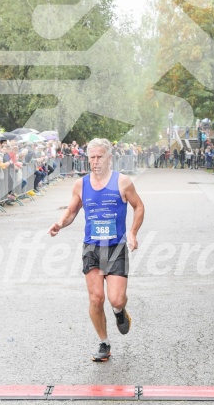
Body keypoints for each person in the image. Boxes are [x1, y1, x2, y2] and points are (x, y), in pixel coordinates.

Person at [47, 138, 144, 362]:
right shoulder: (81, 184)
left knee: (116, 299)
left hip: (115, 247)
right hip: (92, 247)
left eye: (100, 157)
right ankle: (104, 343)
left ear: (109, 158)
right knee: (96, 298)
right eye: (92, 157)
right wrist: (60, 223)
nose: (95, 161)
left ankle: (120, 312)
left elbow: (138, 206)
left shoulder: (122, 182)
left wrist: (133, 232)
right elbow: (71, 211)